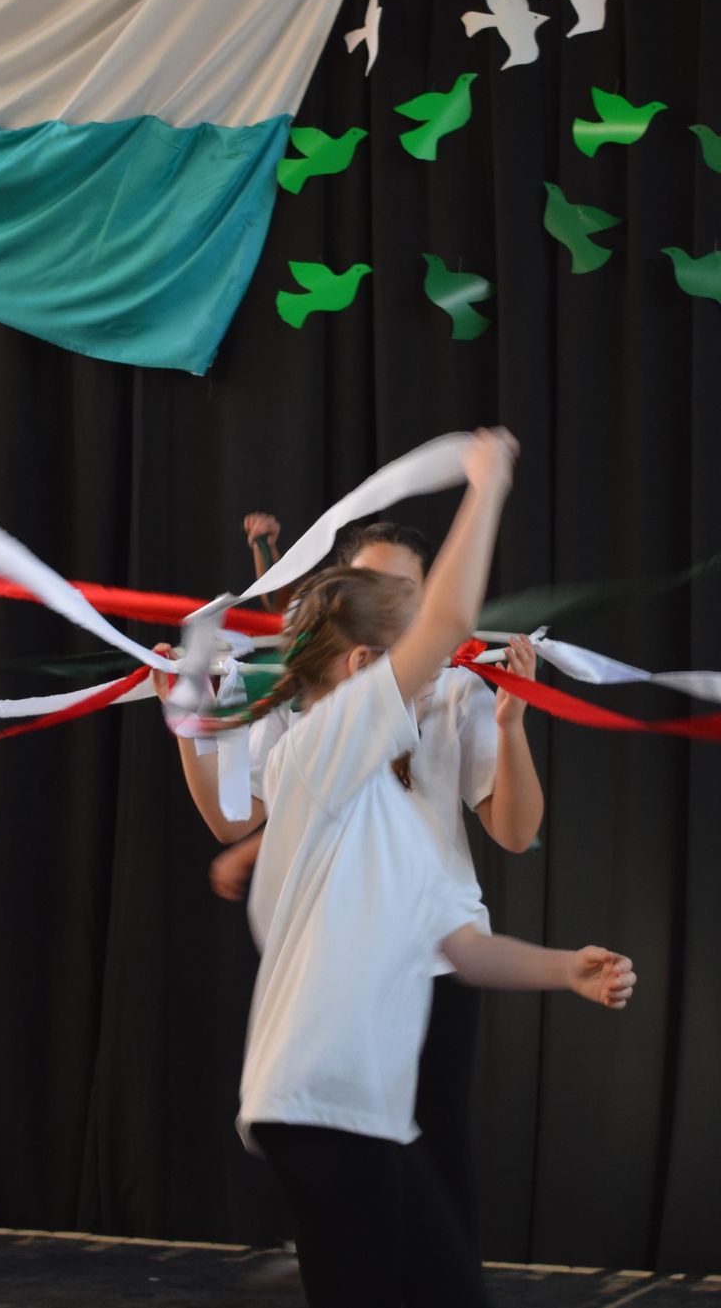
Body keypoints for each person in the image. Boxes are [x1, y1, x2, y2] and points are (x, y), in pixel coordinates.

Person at [238, 430, 634, 1306]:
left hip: (362, 1114)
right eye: (403, 634)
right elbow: (451, 621)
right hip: (319, 1103)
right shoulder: (326, 739)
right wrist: (486, 486)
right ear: (360, 666)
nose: (429, 647)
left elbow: (458, 943)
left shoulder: (395, 819)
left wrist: (565, 968)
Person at [176, 505, 543, 1244]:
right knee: (341, 1160)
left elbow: (514, 830)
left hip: (436, 953)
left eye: (408, 592)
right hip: (335, 964)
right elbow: (232, 818)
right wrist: (188, 712)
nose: (390, 606)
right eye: (372, 588)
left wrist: (511, 726)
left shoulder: (457, 688)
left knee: (433, 1150)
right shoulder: (298, 699)